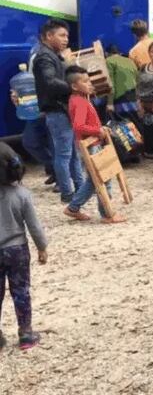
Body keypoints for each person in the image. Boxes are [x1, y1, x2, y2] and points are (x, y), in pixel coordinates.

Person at [63, 66, 127, 224]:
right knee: (100, 178)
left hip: (90, 143)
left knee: (94, 179)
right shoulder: (80, 102)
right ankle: (106, 213)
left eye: (89, 79)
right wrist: (98, 131)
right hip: (90, 145)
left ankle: (73, 208)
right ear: (74, 86)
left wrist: (99, 129)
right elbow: (78, 126)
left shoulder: (81, 99)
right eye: (85, 81)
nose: (89, 83)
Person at [0, 142, 48, 350]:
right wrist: (42, 247)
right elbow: (34, 226)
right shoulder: (22, 195)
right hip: (17, 249)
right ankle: (26, 334)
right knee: (21, 291)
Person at [33, 18, 85, 203]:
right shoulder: (44, 57)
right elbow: (49, 82)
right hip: (57, 111)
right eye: (62, 35)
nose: (66, 39)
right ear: (48, 35)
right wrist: (74, 89)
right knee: (64, 154)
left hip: (62, 110)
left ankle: (81, 188)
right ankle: (67, 193)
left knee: (73, 153)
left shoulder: (54, 55)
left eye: (67, 36)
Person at [105, 45, 141, 163]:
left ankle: (126, 155)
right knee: (133, 127)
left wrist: (109, 103)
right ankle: (136, 154)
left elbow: (110, 84)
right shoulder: (129, 61)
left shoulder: (109, 61)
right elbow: (137, 80)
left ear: (107, 53)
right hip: (132, 99)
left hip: (120, 100)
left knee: (121, 128)